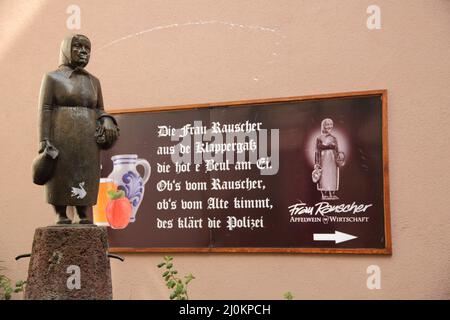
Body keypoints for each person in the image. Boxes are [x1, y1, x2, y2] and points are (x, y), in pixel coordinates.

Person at [37, 34, 119, 224]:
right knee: (60, 172)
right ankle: (61, 214)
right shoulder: (52, 78)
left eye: (87, 49)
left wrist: (106, 120)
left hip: (88, 139)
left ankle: (83, 213)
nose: (83, 52)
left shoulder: (93, 81)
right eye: (78, 47)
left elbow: (100, 108)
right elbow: (45, 109)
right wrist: (44, 140)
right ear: (66, 50)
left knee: (86, 171)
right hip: (61, 136)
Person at [314, 118, 344, 200]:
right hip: (323, 160)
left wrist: (339, 158)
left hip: (332, 160)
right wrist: (317, 163)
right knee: (324, 175)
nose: (329, 126)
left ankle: (332, 193)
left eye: (331, 124)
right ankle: (324, 193)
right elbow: (317, 151)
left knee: (332, 175)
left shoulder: (334, 138)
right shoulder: (319, 138)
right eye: (327, 124)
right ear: (323, 126)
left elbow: (337, 150)